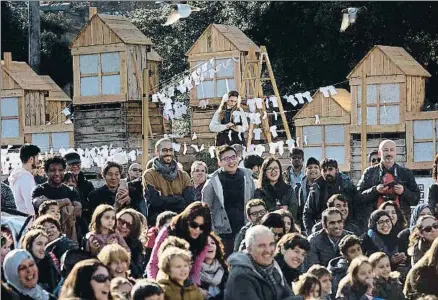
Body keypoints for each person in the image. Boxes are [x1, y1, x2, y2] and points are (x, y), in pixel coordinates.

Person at [202, 145, 256, 256]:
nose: (231, 161)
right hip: (223, 234)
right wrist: (212, 234)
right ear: (219, 162)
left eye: (233, 157)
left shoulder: (248, 178)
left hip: (245, 230)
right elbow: (206, 211)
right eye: (226, 159)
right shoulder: (211, 183)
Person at [357, 139, 420, 231]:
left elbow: (416, 199)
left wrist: (404, 192)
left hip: (400, 225)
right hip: (375, 225)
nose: (389, 153)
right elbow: (358, 197)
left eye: (391, 150)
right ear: (379, 153)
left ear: (395, 153)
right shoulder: (369, 172)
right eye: (385, 150)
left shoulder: (406, 173)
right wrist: (375, 190)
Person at [146, 202, 211, 285]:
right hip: (161, 278)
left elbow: (195, 269)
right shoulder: (168, 231)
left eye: (202, 227)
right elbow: (153, 264)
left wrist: (195, 289)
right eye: (193, 225)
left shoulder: (204, 240)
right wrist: (155, 286)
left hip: (184, 281)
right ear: (186, 221)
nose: (197, 230)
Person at [225, 225, 296, 300]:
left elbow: (289, 295)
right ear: (249, 249)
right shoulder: (240, 275)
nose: (268, 250)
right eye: (261, 246)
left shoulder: (273, 267)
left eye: (271, 244)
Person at [143, 138, 195, 225]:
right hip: (158, 224)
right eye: (164, 150)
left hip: (180, 223)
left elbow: (189, 202)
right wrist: (179, 199)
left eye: (171, 150)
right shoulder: (149, 174)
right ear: (157, 152)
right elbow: (154, 201)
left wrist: (164, 199)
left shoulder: (183, 175)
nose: (168, 153)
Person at [31, 156, 81, 242]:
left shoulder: (71, 191)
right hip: (44, 237)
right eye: (53, 170)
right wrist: (65, 201)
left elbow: (78, 211)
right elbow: (39, 204)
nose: (57, 173)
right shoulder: (39, 190)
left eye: (60, 170)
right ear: (46, 172)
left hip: (68, 237)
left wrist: (51, 205)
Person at [303, 158, 356, 235]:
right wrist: (311, 233)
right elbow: (307, 213)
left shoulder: (346, 185)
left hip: (346, 228)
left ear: (337, 170)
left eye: (330, 169)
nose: (327, 173)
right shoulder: (316, 188)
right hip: (323, 229)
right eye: (324, 170)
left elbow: (357, 208)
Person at [360, 210, 408, 274]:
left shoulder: (395, 238)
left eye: (388, 221)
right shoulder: (366, 240)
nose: (385, 224)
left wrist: (401, 259)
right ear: (374, 224)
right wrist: (390, 261)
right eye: (380, 222)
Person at [20, 229, 60, 293]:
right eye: (39, 244)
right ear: (29, 246)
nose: (43, 248)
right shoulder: (21, 266)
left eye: (45, 244)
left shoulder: (49, 264)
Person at [8, 144, 41, 215]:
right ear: (31, 159)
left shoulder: (18, 174)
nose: (38, 161)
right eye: (37, 157)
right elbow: (30, 203)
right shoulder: (26, 178)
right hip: (27, 219)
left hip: (21, 217)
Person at [63, 151, 95, 222]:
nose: (75, 166)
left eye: (77, 164)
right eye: (71, 164)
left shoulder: (87, 184)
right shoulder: (60, 183)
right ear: (65, 166)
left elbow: (92, 204)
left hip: (84, 219)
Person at [116, 208, 147, 279]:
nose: (123, 226)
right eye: (121, 221)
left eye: (129, 225)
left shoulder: (136, 246)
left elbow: (137, 273)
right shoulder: (105, 236)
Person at [200, 233, 228, 300]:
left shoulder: (224, 269)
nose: (210, 245)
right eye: (206, 243)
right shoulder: (190, 273)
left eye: (213, 243)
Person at [296, 157, 321, 230]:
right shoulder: (298, 189)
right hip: (304, 227)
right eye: (310, 168)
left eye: (316, 167)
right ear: (305, 171)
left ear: (320, 170)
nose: (313, 169)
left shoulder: (324, 187)